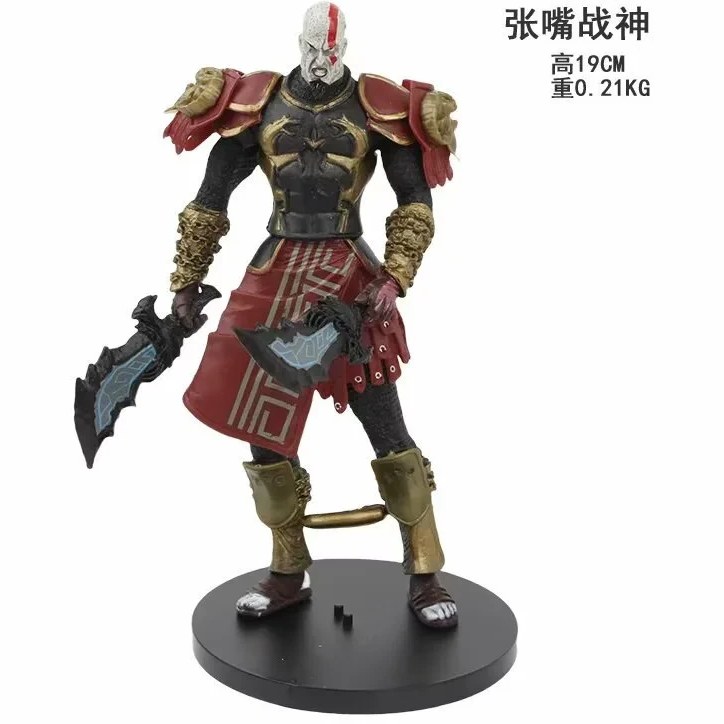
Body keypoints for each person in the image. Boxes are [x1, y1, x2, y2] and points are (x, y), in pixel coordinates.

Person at [164, 2, 459, 628]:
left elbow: (414, 201)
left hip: (349, 278)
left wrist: (395, 276)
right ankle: (286, 567)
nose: (320, 57)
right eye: (311, 45)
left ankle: (425, 567)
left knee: (383, 417)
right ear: (296, 42)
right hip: (274, 270)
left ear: (345, 44)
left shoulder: (381, 107)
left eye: (330, 46)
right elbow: (211, 197)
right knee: (257, 421)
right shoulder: (256, 103)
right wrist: (187, 280)